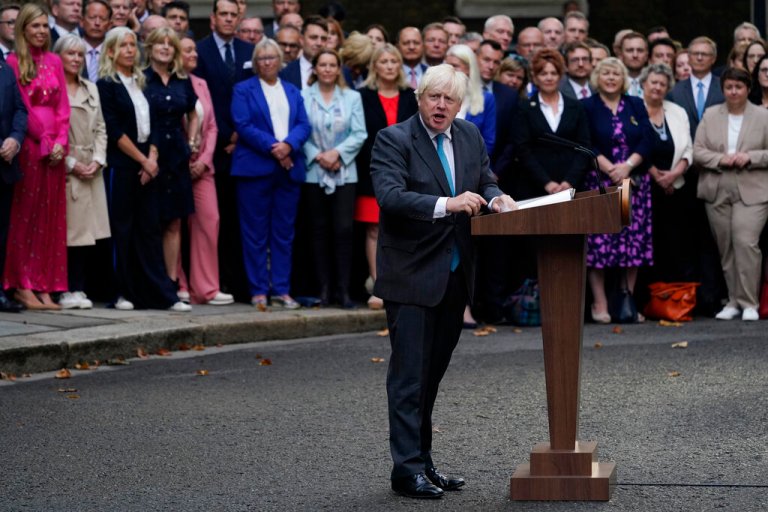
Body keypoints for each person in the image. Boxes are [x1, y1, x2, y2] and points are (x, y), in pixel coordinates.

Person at [370, 63, 516, 499]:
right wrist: (447, 203)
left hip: (455, 275)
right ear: (420, 98)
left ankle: (424, 464)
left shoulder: (469, 135)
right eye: (433, 96)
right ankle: (406, 470)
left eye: (449, 99)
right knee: (409, 378)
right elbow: (390, 197)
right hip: (411, 275)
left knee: (430, 377)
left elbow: (485, 179)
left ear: (459, 104)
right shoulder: (393, 139)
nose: (440, 105)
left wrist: (496, 197)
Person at [97, 26, 189, 311]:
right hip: (123, 166)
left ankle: (161, 294)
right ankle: (121, 292)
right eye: (123, 46)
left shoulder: (141, 81)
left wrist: (153, 157)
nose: (129, 50)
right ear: (110, 51)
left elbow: (155, 124)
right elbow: (114, 130)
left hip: (149, 166)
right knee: (121, 230)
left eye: (131, 45)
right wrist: (143, 160)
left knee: (149, 230)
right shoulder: (106, 84)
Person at [230, 38, 310, 309]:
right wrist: (275, 148)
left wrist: (289, 145)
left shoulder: (292, 90)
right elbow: (242, 123)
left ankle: (282, 289)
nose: (267, 62)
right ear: (255, 63)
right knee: (254, 233)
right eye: (262, 58)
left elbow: (303, 123)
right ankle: (258, 290)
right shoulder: (243, 89)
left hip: (288, 171)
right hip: (255, 169)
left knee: (284, 233)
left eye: (271, 57)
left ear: (280, 61)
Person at [3, 4, 69, 311]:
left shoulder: (55, 60)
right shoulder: (15, 62)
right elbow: (21, 108)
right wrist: (43, 138)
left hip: (55, 149)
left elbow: (63, 107)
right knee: (26, 218)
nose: (42, 31)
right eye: (35, 26)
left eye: (45, 26)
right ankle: (22, 284)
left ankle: (47, 285)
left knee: (52, 219)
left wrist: (60, 142)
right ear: (23, 30)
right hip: (30, 147)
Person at [582, 57, 654, 323]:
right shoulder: (587, 106)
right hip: (599, 183)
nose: (611, 78)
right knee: (599, 244)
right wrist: (611, 170)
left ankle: (627, 300)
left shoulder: (635, 104)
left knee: (632, 243)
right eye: (606, 73)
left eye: (616, 74)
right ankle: (600, 302)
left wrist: (628, 167)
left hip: (634, 184)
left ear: (623, 79)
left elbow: (648, 139)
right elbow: (586, 141)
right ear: (597, 77)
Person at [694, 67, 768, 321]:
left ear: (748, 89)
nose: (733, 91)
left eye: (739, 87)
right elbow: (698, 151)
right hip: (717, 186)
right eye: (729, 87)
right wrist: (721, 159)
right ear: (723, 89)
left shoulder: (762, 115)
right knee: (726, 248)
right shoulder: (712, 114)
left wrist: (751, 156)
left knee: (746, 242)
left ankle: (749, 302)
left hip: (754, 187)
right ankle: (734, 301)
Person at [195, 0, 255, 303]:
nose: (229, 19)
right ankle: (215, 281)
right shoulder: (200, 51)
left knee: (239, 219)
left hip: (245, 148)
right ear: (213, 18)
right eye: (224, 15)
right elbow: (201, 97)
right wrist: (223, 135)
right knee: (212, 220)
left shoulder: (248, 51)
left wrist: (238, 134)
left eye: (234, 15)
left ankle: (240, 283)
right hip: (212, 147)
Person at [301, 49, 366, 307]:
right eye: (322, 65)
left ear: (339, 69)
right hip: (313, 171)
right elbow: (300, 131)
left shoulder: (352, 97)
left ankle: (344, 289)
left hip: (344, 171)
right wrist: (319, 156)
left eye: (332, 65)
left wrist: (337, 153)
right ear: (315, 68)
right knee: (318, 231)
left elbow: (359, 133)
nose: (327, 69)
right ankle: (324, 289)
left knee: (343, 230)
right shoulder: (303, 96)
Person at [356, 44, 418, 309]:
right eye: (384, 61)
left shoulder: (411, 95)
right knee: (374, 229)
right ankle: (378, 284)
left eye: (395, 61)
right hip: (371, 169)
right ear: (375, 66)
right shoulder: (362, 95)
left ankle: (402, 284)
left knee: (403, 226)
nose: (390, 66)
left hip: (408, 170)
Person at [668, 36, 727, 316]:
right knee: (685, 238)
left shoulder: (724, 88)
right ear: (688, 57)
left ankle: (711, 298)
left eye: (705, 54)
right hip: (685, 175)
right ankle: (687, 300)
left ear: (714, 58)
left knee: (714, 238)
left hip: (717, 172)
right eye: (695, 53)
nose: (700, 58)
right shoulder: (675, 90)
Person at [175, 37, 234, 306]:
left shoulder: (201, 84)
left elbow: (211, 127)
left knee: (210, 221)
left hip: (204, 166)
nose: (194, 54)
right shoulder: (169, 83)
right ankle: (178, 283)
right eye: (187, 50)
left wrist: (205, 159)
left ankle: (207, 288)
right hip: (175, 166)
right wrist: (184, 159)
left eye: (194, 49)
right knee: (173, 226)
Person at [54, 34, 110, 309]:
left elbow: (101, 128)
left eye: (79, 55)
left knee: (88, 232)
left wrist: (98, 160)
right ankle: (64, 288)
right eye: (70, 54)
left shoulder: (91, 87)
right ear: (59, 57)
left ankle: (79, 286)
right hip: (64, 165)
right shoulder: (53, 88)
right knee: (68, 231)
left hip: (92, 166)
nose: (76, 59)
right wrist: (72, 164)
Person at [143, 27, 199, 300]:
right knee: (151, 221)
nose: (165, 48)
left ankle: (172, 283)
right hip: (150, 157)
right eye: (160, 43)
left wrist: (191, 140)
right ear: (150, 47)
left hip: (177, 157)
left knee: (175, 223)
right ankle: (153, 284)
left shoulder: (181, 80)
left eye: (170, 44)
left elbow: (193, 111)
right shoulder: (141, 79)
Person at [640, 63, 696, 285]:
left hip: (675, 188)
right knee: (647, 242)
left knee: (675, 243)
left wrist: (673, 175)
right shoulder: (634, 108)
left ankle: (673, 298)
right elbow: (634, 147)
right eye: (653, 82)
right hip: (644, 187)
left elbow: (689, 148)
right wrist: (657, 176)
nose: (657, 87)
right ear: (644, 84)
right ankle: (646, 298)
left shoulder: (677, 111)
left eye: (663, 84)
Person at [514, 48, 590, 199]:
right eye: (543, 73)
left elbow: (584, 146)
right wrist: (547, 183)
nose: (549, 78)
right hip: (535, 187)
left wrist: (569, 181)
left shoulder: (576, 106)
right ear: (535, 78)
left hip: (573, 187)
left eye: (553, 73)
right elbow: (522, 149)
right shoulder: (525, 108)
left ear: (560, 76)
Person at [0, 42, 27, 312]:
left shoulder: (4, 67)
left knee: (1, 232)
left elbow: (20, 108)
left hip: (4, 165)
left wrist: (14, 140)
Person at [279, 15, 328, 90]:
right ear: (301, 40)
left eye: (323, 39)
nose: (319, 43)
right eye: (313, 37)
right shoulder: (284, 73)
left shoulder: (341, 72)